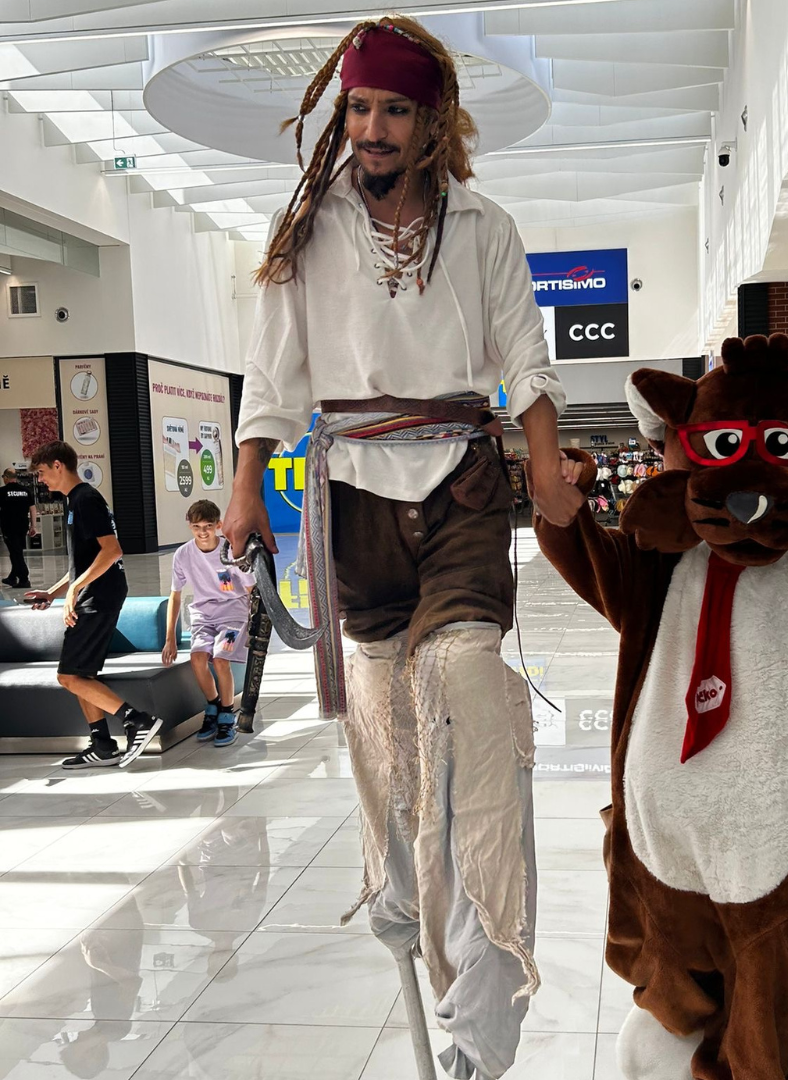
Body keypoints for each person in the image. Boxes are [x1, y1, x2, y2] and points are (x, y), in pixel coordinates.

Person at [223, 15, 582, 1079]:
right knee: (388, 747)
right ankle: (406, 912)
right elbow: (272, 376)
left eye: (393, 109)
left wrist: (547, 466)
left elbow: (526, 355)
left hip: (461, 484)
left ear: (434, 122)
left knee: (469, 697)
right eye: (359, 108)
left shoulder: (484, 227)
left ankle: (484, 1008)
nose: (372, 128)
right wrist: (246, 486)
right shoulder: (305, 231)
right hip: (353, 505)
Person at [25, 441, 163, 769]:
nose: (41, 479)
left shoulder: (85, 499)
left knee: (68, 676)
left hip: (98, 597)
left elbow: (112, 551)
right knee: (81, 674)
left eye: (41, 472)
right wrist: (55, 592)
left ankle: (137, 720)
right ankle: (102, 745)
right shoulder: (75, 500)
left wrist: (76, 589)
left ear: (58, 465)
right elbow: (85, 562)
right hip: (95, 594)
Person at [162, 500, 254, 748]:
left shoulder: (231, 551)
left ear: (218, 525)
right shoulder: (183, 555)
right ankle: (212, 706)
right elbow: (175, 595)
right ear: (189, 526)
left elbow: (251, 589)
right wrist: (170, 637)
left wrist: (256, 623)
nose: (202, 532)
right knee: (197, 659)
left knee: (221, 659)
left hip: (233, 613)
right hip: (203, 614)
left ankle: (227, 715)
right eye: (196, 527)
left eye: (208, 526)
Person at [1, 466, 38, 588]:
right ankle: (12, 577)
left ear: (6, 477)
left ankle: (24, 578)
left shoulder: (2, 492)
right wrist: (33, 526)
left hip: (9, 527)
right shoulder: (26, 491)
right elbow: (33, 509)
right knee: (16, 551)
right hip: (23, 527)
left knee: (16, 553)